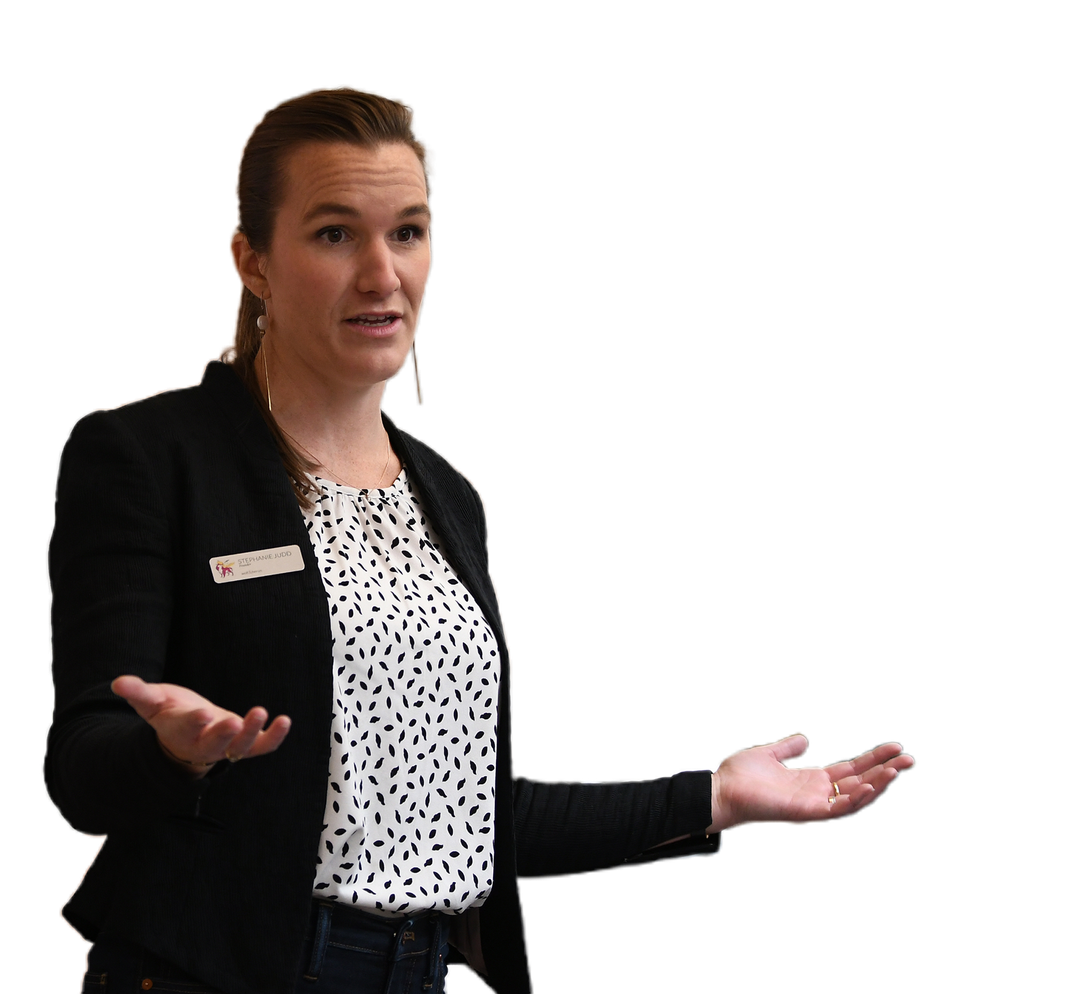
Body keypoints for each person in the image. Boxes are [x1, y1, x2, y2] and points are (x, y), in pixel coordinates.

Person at [44, 85, 916, 994]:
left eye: (409, 232)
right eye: (335, 234)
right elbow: (82, 769)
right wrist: (172, 755)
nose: (383, 274)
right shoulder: (147, 456)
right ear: (251, 260)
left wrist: (716, 796)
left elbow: (474, 816)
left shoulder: (449, 496)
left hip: (427, 973)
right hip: (219, 973)